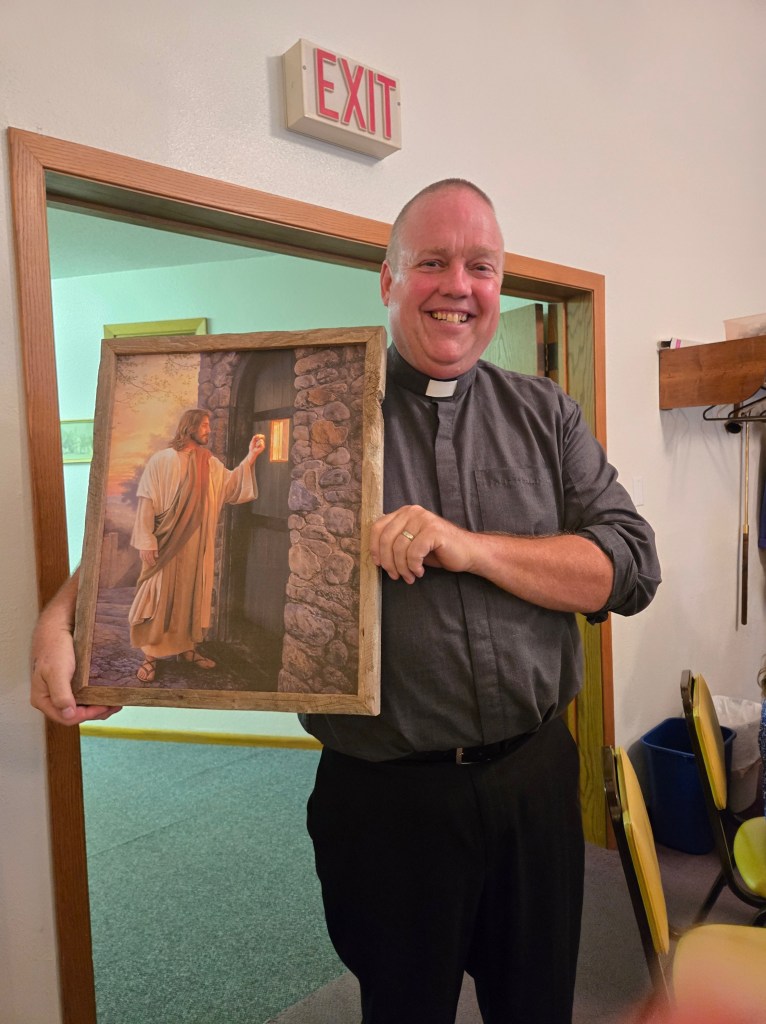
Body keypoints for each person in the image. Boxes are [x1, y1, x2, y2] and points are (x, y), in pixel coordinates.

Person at [30, 179, 661, 1022]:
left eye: (481, 265)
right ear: (388, 278)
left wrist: (467, 547)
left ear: (499, 284)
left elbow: (631, 565)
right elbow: (190, 501)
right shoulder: (329, 396)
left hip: (533, 784)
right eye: (432, 261)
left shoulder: (547, 415)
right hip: (384, 802)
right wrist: (62, 616)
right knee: (402, 1008)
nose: (458, 286)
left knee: (537, 1005)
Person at [128, 408, 265, 682]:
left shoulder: (209, 463)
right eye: (203, 425)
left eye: (208, 426)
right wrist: (146, 540)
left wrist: (252, 457)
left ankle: (187, 649)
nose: (208, 430)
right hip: (165, 543)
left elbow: (230, 486)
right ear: (189, 427)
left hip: (197, 545)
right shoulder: (162, 461)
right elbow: (147, 501)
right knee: (160, 598)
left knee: (191, 596)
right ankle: (151, 657)